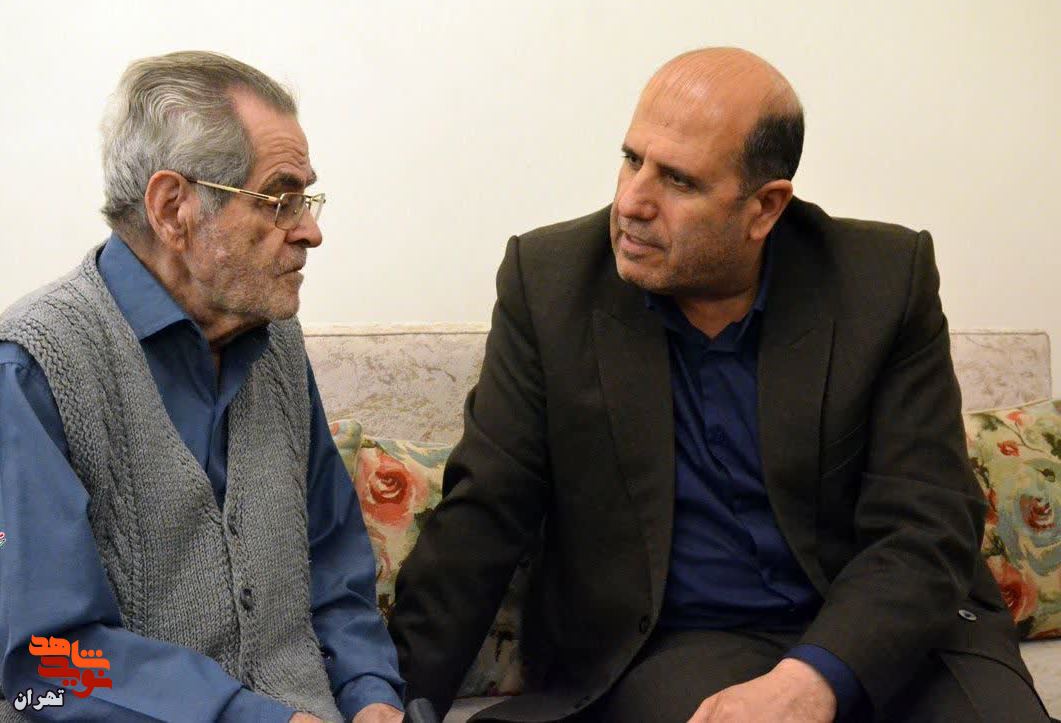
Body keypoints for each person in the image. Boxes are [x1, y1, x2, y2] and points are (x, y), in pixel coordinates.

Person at [389, 47, 1049, 722]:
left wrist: (813, 677)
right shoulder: (551, 282)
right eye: (631, 159)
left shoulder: (881, 281)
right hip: (680, 644)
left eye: (678, 181)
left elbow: (925, 522)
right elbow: (485, 511)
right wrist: (396, 699)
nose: (632, 202)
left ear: (765, 207)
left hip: (891, 631)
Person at [0, 52, 404, 722]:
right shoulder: (33, 367)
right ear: (173, 208)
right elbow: (47, 658)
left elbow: (334, 574)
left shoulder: (275, 340)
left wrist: (371, 696)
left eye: (306, 199)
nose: (310, 230)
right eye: (279, 199)